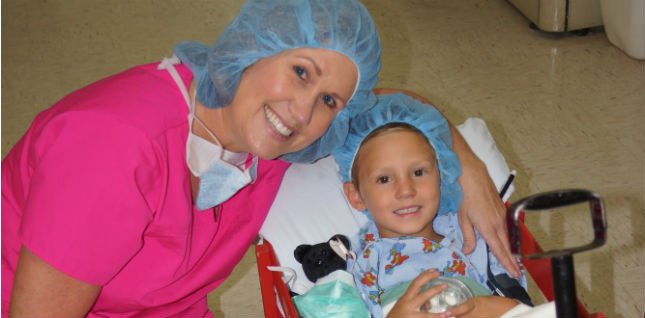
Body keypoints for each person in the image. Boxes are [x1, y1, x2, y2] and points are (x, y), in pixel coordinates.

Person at [2, 0, 517, 317]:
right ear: (254, 47)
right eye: (300, 72)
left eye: (330, 101)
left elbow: (401, 109)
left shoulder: (267, 140)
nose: (301, 112)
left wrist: (467, 168)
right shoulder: (114, 145)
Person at [332, 93, 527, 317]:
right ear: (356, 196)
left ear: (442, 175)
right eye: (384, 179)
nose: (406, 190)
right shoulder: (359, 262)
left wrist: (501, 307)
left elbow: (518, 302)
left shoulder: (471, 235)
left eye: (418, 172)